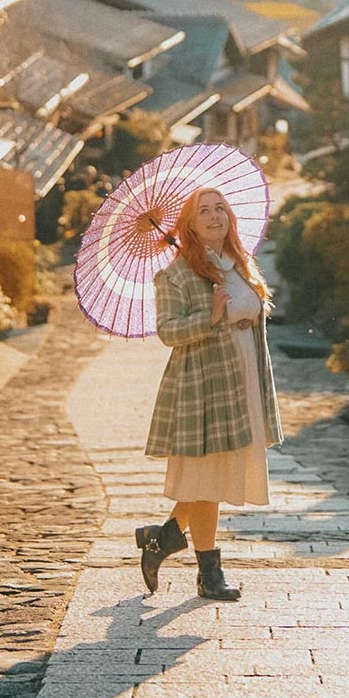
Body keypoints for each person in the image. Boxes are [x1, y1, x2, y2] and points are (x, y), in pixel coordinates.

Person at [135, 186, 283, 601]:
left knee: (212, 479)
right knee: (205, 482)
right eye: (204, 211)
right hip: (203, 386)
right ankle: (209, 575)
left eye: (221, 208)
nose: (215, 216)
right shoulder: (177, 274)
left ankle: (160, 539)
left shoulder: (240, 265)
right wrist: (210, 315)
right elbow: (168, 331)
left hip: (243, 381)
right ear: (190, 224)